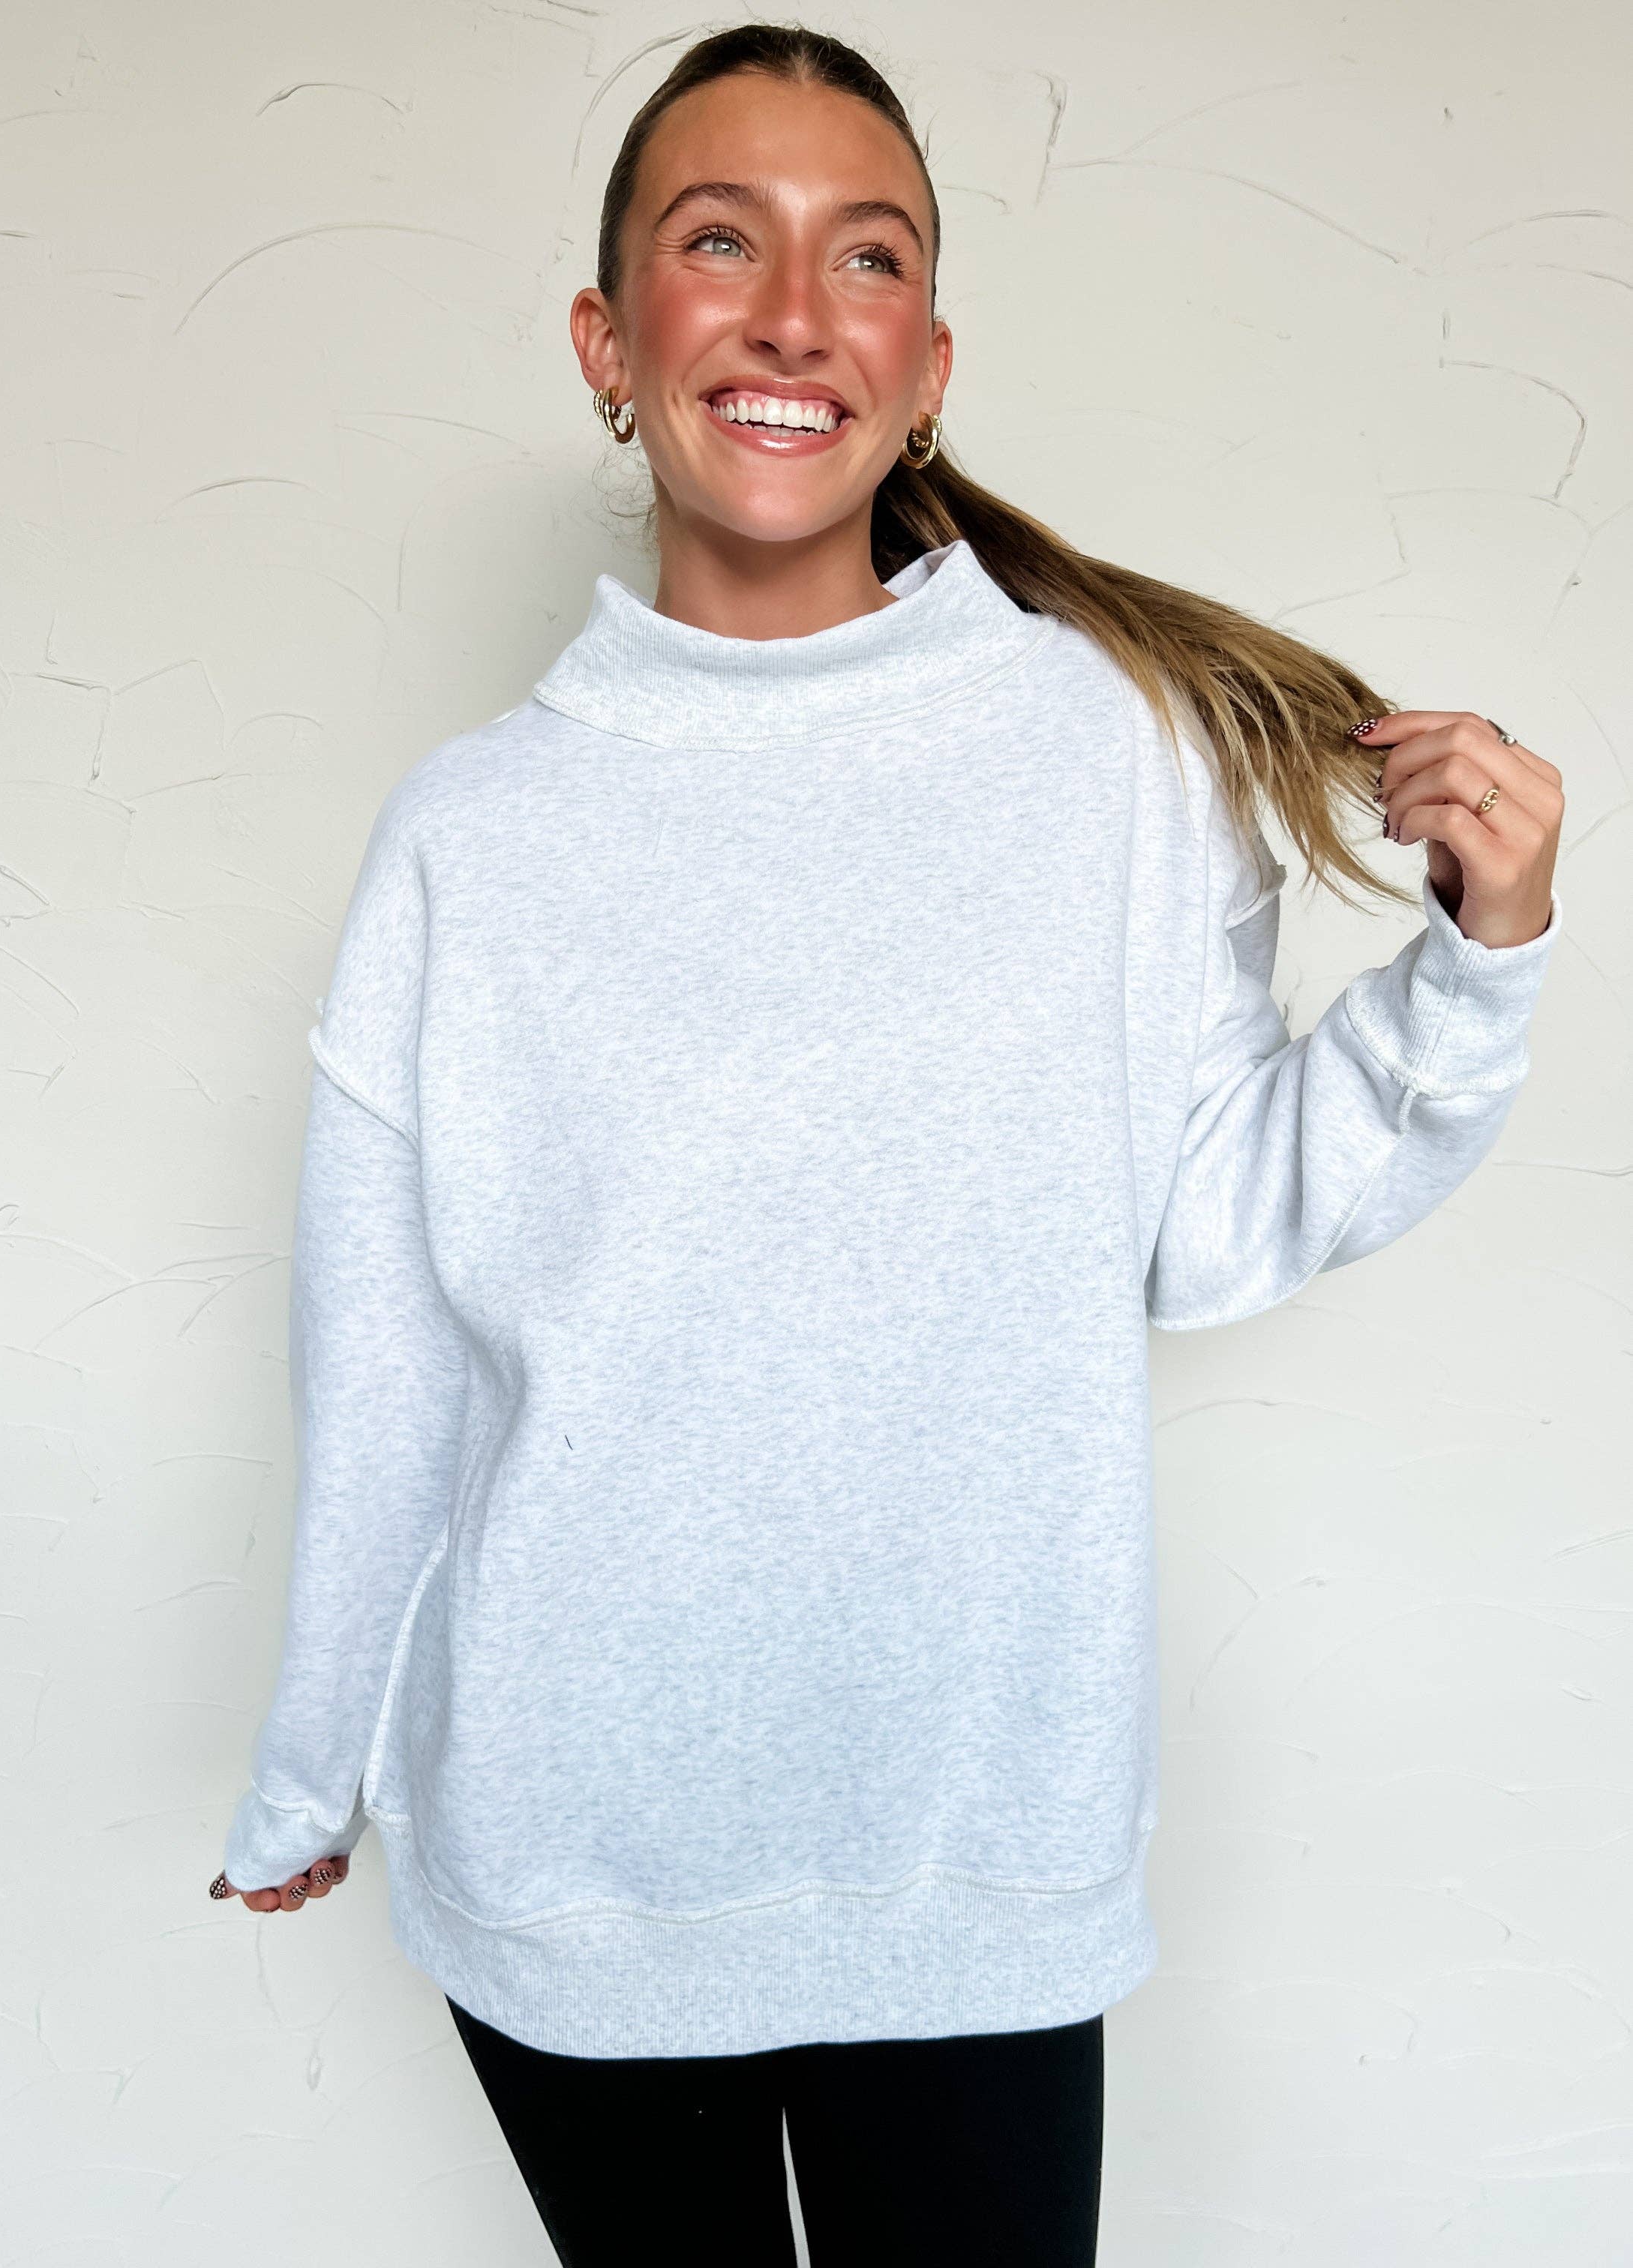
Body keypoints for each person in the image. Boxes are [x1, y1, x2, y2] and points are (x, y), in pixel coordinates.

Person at [208, 23, 1565, 2264]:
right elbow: (385, 1359)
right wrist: (310, 1757)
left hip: (974, 1853)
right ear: (607, 344)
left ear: (927, 365)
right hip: (574, 1855)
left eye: (864, 258)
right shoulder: (470, 837)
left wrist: (1476, 966)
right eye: (715, 241)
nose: (787, 314)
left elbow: (1209, 1219)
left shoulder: (1108, 755)